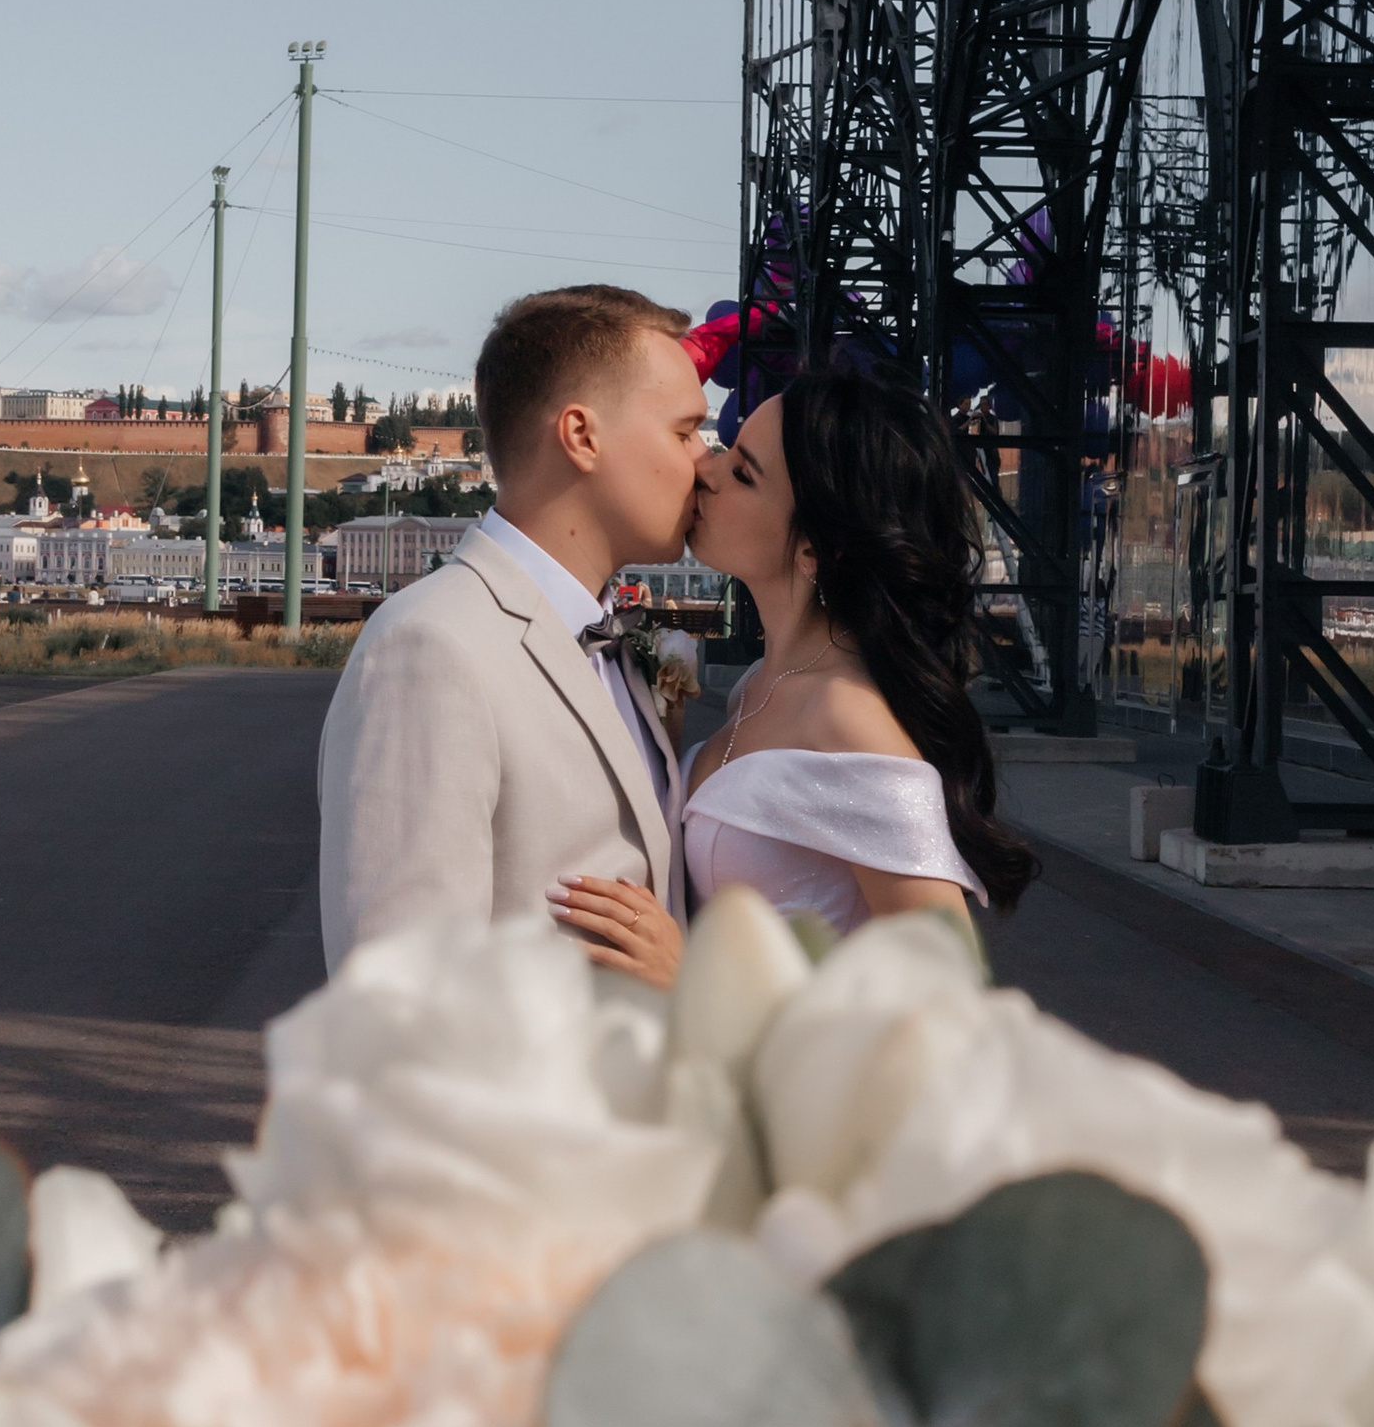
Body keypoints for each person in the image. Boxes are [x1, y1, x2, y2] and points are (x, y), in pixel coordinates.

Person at [555, 361, 1037, 976]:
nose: (704, 470)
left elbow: (947, 995)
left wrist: (688, 982)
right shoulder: (758, 686)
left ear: (814, 548)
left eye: (743, 473)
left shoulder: (848, 715)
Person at [316, 285, 708, 977]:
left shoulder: (612, 643)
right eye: (683, 432)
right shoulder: (431, 647)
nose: (703, 461)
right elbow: (398, 1004)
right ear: (582, 436)